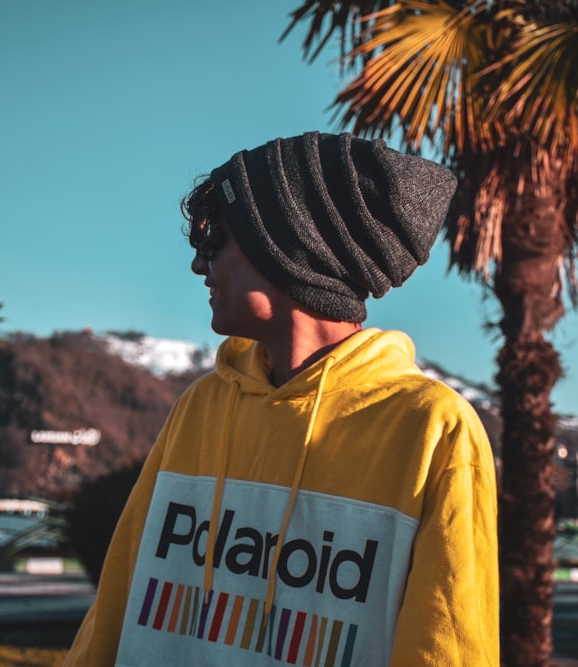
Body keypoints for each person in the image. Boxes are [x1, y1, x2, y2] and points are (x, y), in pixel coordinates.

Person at [63, 132, 498, 666]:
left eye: (214, 239)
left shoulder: (430, 426)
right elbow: (119, 598)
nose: (201, 266)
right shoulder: (202, 405)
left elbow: (446, 645)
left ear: (291, 245)